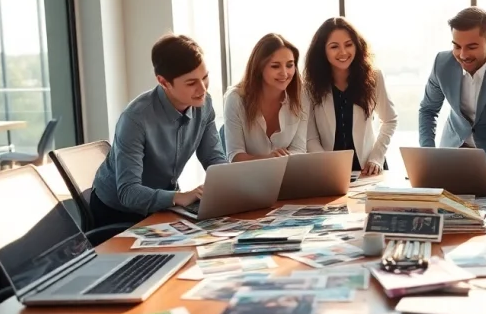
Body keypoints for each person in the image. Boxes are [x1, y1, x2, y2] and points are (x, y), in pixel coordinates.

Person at [91, 34, 226, 227]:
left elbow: (214, 158)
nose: (202, 89)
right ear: (163, 82)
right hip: (117, 214)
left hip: (162, 206)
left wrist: (230, 187)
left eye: (205, 78)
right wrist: (178, 197)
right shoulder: (135, 118)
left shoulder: (204, 105)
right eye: (191, 83)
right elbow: (128, 192)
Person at [418, 6, 486, 169]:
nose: (463, 55)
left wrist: (478, 166)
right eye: (457, 46)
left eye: (471, 47)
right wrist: (428, 155)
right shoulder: (442, 64)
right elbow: (428, 110)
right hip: (452, 152)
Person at [304, 17, 398, 177]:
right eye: (334, 46)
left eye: (348, 44)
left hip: (368, 168)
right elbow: (310, 136)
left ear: (357, 45)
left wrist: (376, 157)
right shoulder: (310, 85)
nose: (343, 52)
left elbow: (390, 120)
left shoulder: (374, 77)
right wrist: (325, 164)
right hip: (328, 171)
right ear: (322, 50)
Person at [223, 33, 307, 161]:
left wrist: (279, 161)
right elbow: (235, 156)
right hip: (249, 173)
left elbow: (299, 149)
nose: (284, 73)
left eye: (290, 65)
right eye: (275, 66)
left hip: (289, 172)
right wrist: (268, 159)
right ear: (259, 67)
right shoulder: (235, 99)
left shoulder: (302, 96)